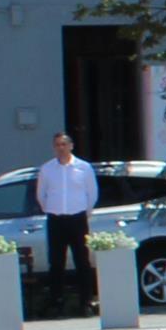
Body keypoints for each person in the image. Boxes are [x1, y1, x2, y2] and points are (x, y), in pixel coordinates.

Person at [35, 130, 100, 312]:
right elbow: (41, 194)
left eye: (64, 144)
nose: (61, 148)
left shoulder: (84, 167)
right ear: (53, 148)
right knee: (56, 262)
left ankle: (85, 302)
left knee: (82, 261)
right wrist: (50, 209)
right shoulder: (47, 169)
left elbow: (92, 193)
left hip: (78, 219)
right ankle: (57, 301)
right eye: (57, 145)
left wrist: (84, 212)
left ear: (71, 146)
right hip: (56, 219)